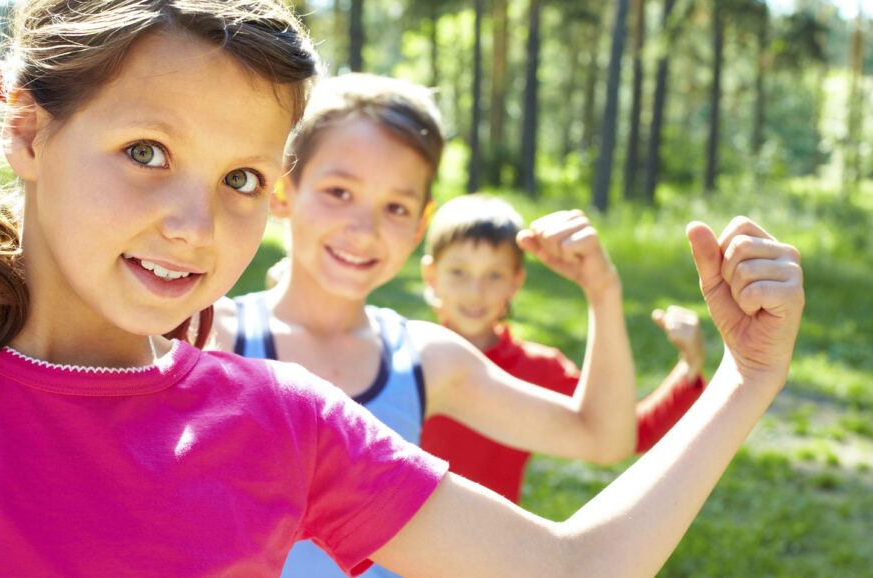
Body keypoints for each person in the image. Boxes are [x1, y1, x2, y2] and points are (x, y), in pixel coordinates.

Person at [0, 2, 804, 577]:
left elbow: (576, 564)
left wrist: (745, 379)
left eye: (243, 180)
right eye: (147, 153)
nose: (196, 223)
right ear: (26, 131)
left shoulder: (282, 425)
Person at [209, 74, 799, 578]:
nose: (364, 228)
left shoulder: (424, 358)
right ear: (283, 191)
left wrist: (602, 291)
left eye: (396, 206)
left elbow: (604, 435)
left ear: (420, 225)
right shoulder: (210, 339)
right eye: (339, 191)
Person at [419, 194, 708, 504]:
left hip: (488, 549)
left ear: (515, 283)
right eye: (459, 272)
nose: (475, 292)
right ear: (431, 276)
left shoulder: (538, 369)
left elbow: (626, 433)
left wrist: (688, 368)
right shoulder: (402, 355)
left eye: (494, 274)